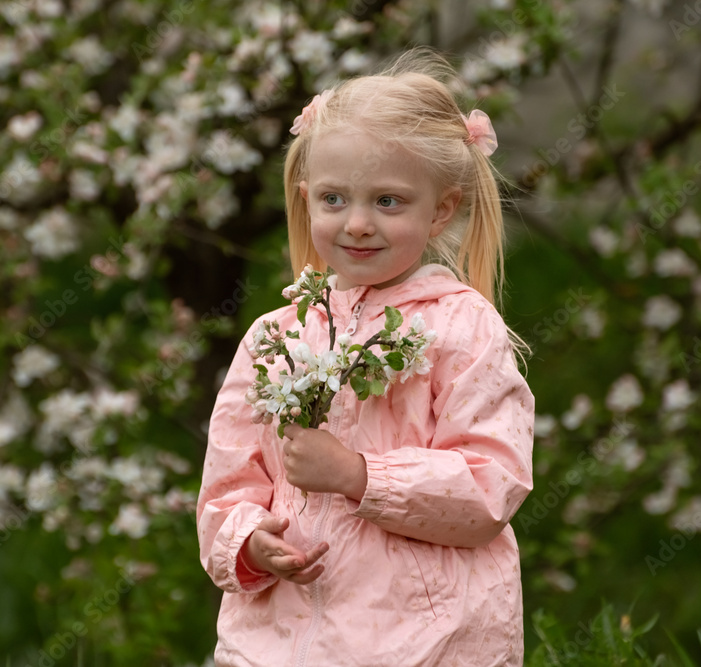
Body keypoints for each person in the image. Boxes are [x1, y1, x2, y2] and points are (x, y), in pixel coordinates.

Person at [196, 47, 535, 667]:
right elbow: (229, 485)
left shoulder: (461, 327)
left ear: (442, 210)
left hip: (423, 643)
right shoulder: (274, 337)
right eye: (333, 199)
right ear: (305, 199)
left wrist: (361, 475)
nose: (356, 223)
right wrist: (248, 540)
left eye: (387, 201)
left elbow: (493, 483)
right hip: (277, 641)